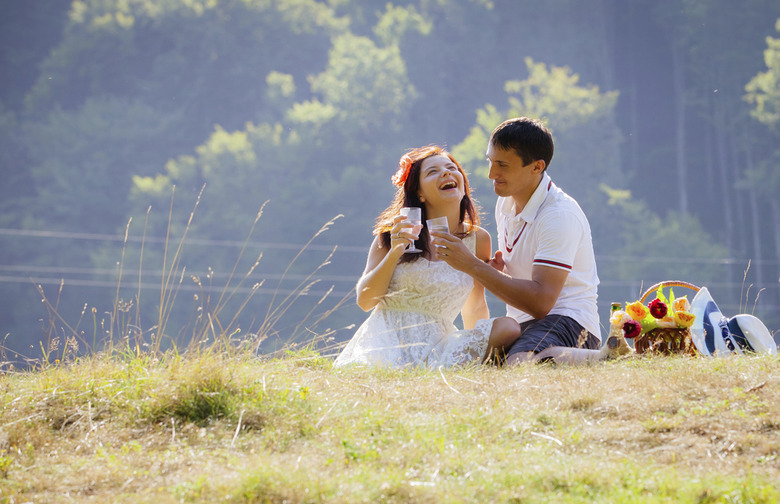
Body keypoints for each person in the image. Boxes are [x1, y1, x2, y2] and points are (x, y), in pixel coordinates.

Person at [431, 117, 628, 365]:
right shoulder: (505, 202)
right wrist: (495, 274)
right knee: (475, 362)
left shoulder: (559, 215)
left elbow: (540, 303)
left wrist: (471, 265)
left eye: (502, 165)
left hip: (569, 320)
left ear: (536, 167)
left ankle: (609, 360)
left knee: (518, 364)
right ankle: (597, 359)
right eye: (490, 161)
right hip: (523, 324)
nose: (491, 173)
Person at [333, 145, 520, 368]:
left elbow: (475, 306)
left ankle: (457, 367)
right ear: (419, 193)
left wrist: (478, 348)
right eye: (433, 171)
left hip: (440, 345)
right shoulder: (393, 233)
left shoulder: (478, 239)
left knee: (509, 327)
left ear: (463, 185)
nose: (446, 173)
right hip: (387, 341)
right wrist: (395, 251)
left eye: (452, 168)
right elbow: (365, 301)